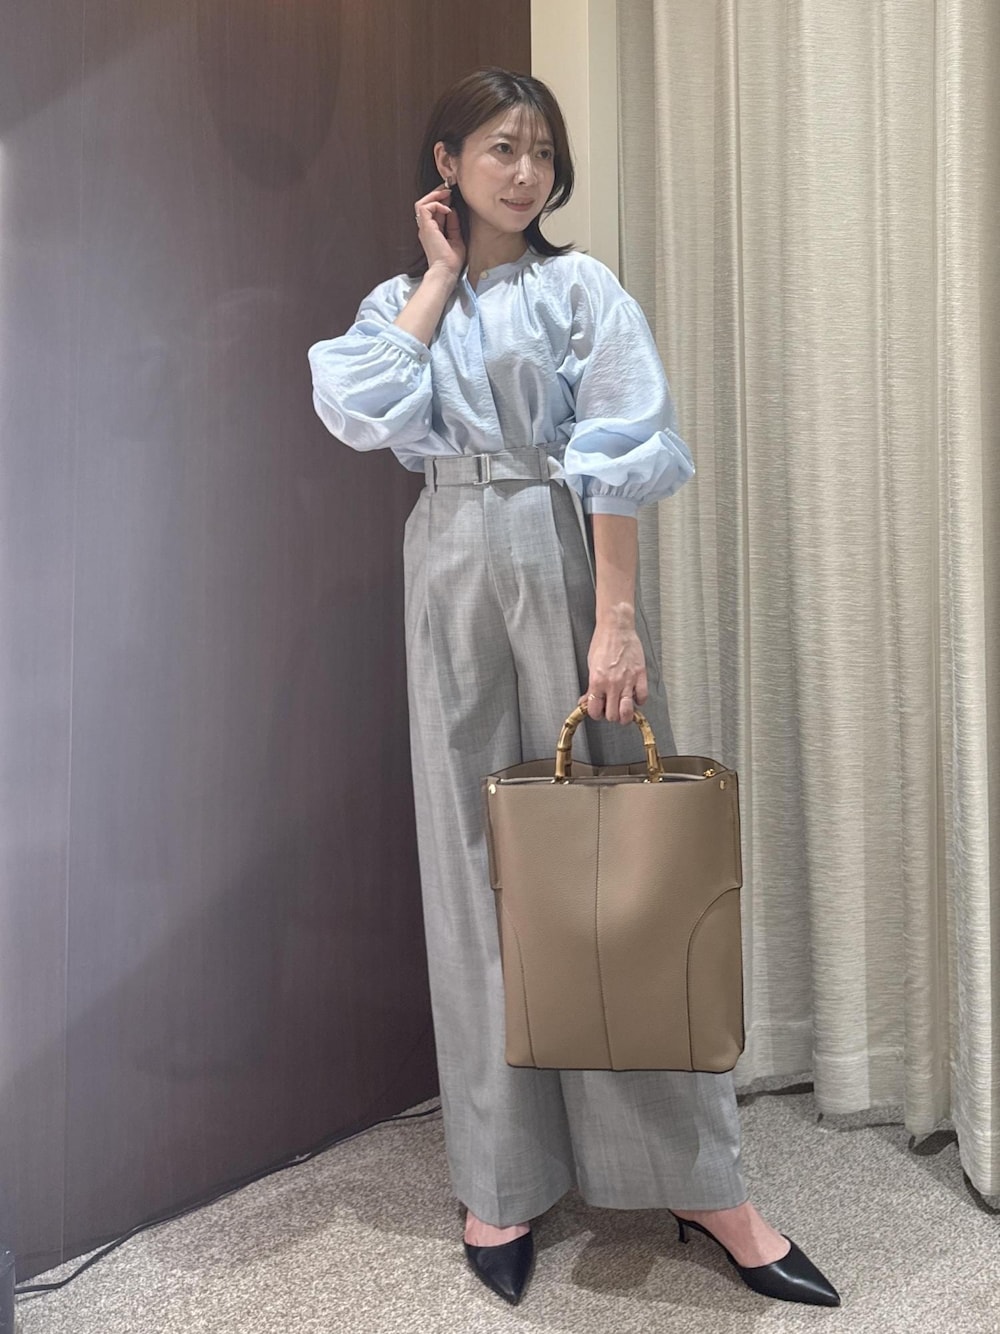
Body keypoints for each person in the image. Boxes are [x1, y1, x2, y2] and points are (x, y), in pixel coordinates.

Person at [307, 67, 840, 1312]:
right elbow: (358, 409)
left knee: (619, 878)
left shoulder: (579, 287)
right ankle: (500, 1178)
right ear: (446, 163)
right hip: (445, 567)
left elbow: (619, 450)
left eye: (541, 150)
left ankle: (701, 1182)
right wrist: (439, 276)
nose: (526, 171)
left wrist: (615, 622)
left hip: (557, 552)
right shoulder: (398, 304)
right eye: (500, 148)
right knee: (476, 872)